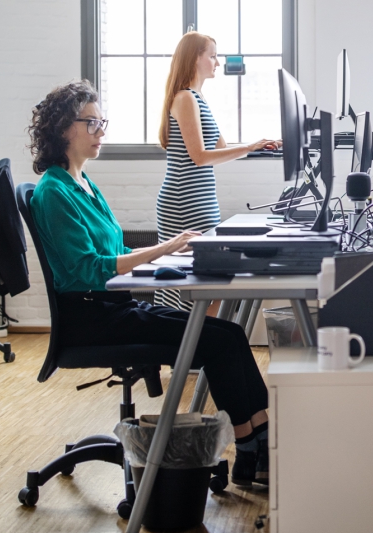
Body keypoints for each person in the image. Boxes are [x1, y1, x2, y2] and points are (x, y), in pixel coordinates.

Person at [29, 80, 270, 486]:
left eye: (101, 121)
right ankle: (251, 452)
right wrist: (165, 248)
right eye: (92, 123)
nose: (101, 130)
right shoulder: (54, 192)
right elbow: (92, 268)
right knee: (219, 341)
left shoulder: (83, 184)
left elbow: (118, 247)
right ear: (62, 129)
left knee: (230, 332)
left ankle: (263, 440)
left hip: (115, 307)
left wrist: (175, 254)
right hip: (92, 319)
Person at [156, 31, 280, 311]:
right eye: (212, 55)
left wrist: (260, 146)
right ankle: (186, 344)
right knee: (195, 279)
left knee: (207, 278)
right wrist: (250, 146)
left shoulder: (198, 98)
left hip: (201, 199)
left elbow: (220, 147)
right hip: (184, 201)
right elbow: (200, 157)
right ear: (194, 59)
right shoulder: (185, 98)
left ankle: (201, 345)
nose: (218, 62)